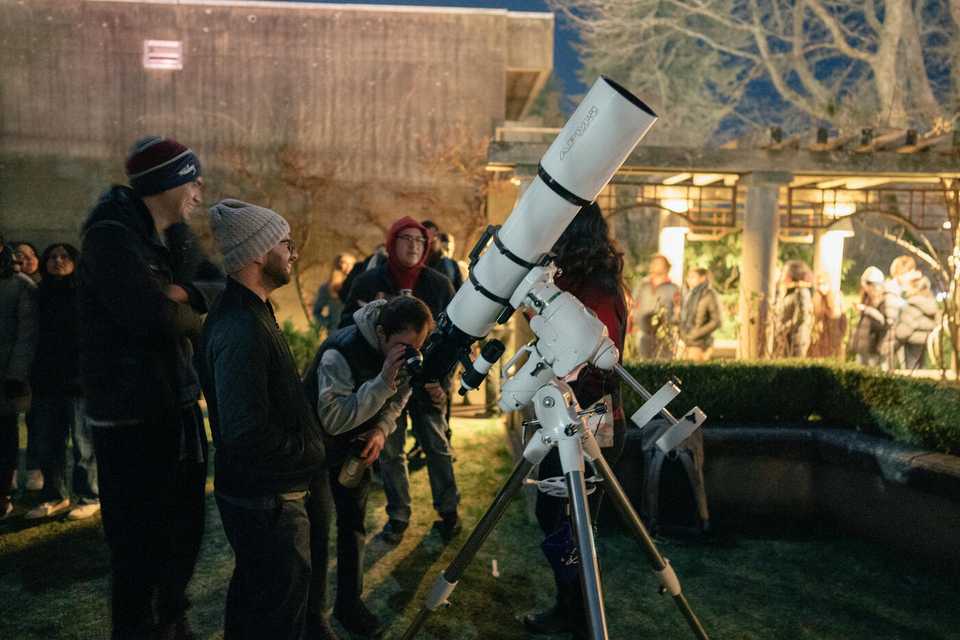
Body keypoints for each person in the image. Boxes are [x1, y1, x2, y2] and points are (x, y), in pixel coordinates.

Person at [79, 135, 220, 639]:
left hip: (177, 404)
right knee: (138, 544)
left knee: (185, 530)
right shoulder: (110, 236)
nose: (200, 190)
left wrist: (181, 294)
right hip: (130, 416)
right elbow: (151, 320)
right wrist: (181, 308)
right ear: (167, 182)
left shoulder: (176, 235)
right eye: (193, 178)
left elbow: (216, 286)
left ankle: (171, 620)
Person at [199, 199, 337, 640]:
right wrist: (309, 451)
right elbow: (246, 434)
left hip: (268, 497)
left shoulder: (253, 312)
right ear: (258, 252)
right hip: (268, 502)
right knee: (276, 618)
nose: (293, 252)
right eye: (285, 242)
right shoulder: (241, 327)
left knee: (258, 604)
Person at [521, 202, 628, 640]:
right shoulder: (576, 281)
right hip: (571, 413)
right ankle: (570, 607)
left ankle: (582, 616)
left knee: (574, 522)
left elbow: (593, 362)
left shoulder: (598, 288)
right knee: (556, 515)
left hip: (593, 419)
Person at [304, 296, 434, 638]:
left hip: (356, 450)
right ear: (380, 332)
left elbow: (401, 393)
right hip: (314, 447)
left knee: (353, 527)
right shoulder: (339, 352)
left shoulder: (406, 349)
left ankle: (350, 605)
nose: (410, 355)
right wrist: (381, 383)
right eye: (404, 347)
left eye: (417, 348)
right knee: (316, 534)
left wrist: (381, 429)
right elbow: (332, 419)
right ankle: (312, 619)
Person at [340, 217, 460, 544]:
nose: (412, 245)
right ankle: (398, 516)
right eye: (405, 239)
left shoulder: (438, 284)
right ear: (392, 242)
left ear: (427, 246)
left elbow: (454, 337)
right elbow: (345, 329)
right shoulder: (367, 282)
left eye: (420, 241)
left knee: (437, 446)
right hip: (385, 382)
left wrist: (442, 379)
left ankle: (449, 512)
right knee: (390, 451)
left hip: (427, 381)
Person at [24, 243, 100, 521]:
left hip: (78, 380)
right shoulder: (39, 294)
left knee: (83, 445)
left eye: (64, 256)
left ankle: (89, 496)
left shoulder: (85, 293)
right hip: (46, 380)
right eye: (52, 257)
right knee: (48, 444)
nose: (58, 261)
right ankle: (54, 496)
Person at [0, 238, 37, 519]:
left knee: (4, 435)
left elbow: (27, 334)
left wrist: (16, 374)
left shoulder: (20, 284)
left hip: (5, 374)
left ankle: (3, 493)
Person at [630, 254, 680, 359]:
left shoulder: (674, 288)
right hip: (643, 333)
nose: (654, 266)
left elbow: (678, 310)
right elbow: (633, 305)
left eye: (658, 263)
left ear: (666, 267)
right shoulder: (642, 285)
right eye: (653, 263)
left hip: (664, 336)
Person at [894, 271, 939, 370]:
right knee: (923, 371)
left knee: (912, 374)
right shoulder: (932, 304)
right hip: (927, 342)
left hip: (912, 342)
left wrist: (895, 338)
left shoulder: (912, 304)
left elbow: (904, 331)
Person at [678, 267, 722, 361]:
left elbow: (717, 321)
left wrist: (696, 333)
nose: (689, 279)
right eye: (688, 277)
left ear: (703, 278)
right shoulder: (686, 295)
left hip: (700, 344)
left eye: (693, 277)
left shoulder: (709, 294)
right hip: (685, 342)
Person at [774, 260, 814, 358]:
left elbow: (801, 317)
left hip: (795, 340)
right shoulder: (787, 291)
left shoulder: (801, 292)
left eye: (785, 272)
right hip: (785, 339)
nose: (782, 275)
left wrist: (784, 328)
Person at [849, 267, 887, 367]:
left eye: (869, 285)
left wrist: (866, 309)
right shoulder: (866, 299)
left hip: (874, 348)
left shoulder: (883, 301)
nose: (867, 288)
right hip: (863, 347)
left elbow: (882, 321)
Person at [313, 253, 356, 335]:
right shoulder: (326, 288)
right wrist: (328, 324)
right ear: (338, 265)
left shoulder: (360, 285)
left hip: (355, 333)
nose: (349, 266)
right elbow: (316, 312)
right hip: (336, 334)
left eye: (351, 263)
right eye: (345, 263)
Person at [808, 272, 848, 359]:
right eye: (819, 284)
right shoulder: (816, 298)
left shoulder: (836, 297)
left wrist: (841, 335)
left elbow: (843, 319)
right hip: (820, 341)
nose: (822, 286)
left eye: (824, 283)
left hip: (835, 338)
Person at [421, 220, 463, 290]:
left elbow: (460, 293)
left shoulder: (451, 265)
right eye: (427, 237)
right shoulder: (414, 266)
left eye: (434, 236)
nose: (431, 240)